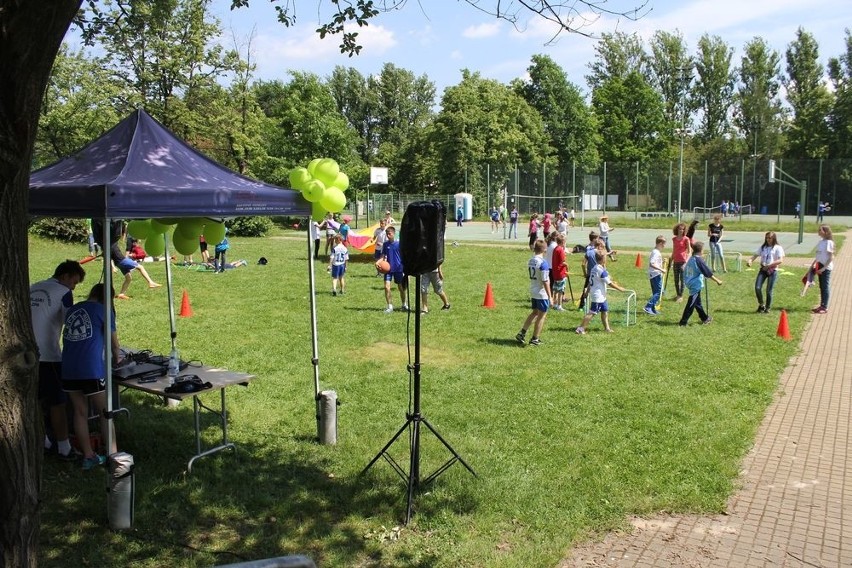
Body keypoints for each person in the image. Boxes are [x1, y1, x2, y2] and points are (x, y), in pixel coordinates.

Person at [30, 260, 86, 460]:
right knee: (57, 402)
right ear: (65, 276)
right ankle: (63, 447)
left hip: (24, 353)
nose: (74, 287)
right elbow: (72, 322)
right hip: (48, 355)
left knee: (33, 400)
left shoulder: (33, 287)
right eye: (74, 282)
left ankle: (43, 441)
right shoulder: (64, 293)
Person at [62, 283, 121, 470]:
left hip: (69, 368)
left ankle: (88, 456)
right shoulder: (104, 311)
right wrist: (117, 358)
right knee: (106, 412)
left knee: (80, 412)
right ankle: (114, 456)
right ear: (108, 298)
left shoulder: (73, 309)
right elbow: (115, 346)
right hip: (91, 369)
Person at [575, 250, 627, 334]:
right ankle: (580, 329)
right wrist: (619, 289)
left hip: (601, 295)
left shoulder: (594, 268)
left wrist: (587, 292)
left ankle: (607, 328)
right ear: (603, 259)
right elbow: (609, 283)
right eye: (606, 257)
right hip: (598, 296)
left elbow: (590, 282)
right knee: (592, 312)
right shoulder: (601, 271)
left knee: (604, 311)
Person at [515, 239, 551, 346]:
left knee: (534, 312)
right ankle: (535, 338)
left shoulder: (531, 260)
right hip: (541, 292)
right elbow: (545, 281)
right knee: (542, 315)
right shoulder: (543, 263)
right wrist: (550, 296)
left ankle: (522, 332)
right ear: (544, 250)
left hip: (533, 290)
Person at [678, 241, 723, 326]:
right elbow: (708, 273)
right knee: (691, 304)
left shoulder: (693, 258)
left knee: (697, 303)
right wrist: (718, 281)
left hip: (689, 282)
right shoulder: (698, 260)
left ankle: (705, 318)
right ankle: (683, 322)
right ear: (701, 250)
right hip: (694, 284)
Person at [746, 231, 785, 313]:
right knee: (757, 287)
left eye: (770, 238)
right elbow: (755, 255)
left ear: (774, 238)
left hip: (772, 270)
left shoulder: (778, 248)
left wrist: (770, 265)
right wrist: (750, 260)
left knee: (769, 290)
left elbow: (780, 260)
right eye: (767, 238)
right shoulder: (763, 247)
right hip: (763, 269)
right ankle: (761, 305)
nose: (768, 240)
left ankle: (768, 307)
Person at [381, 225, 408, 313]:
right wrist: (380, 263)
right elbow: (383, 256)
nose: (388, 236)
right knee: (386, 287)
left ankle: (404, 305)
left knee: (401, 288)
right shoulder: (385, 245)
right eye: (387, 234)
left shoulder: (399, 244)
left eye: (389, 234)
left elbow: (404, 257)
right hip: (388, 269)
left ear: (394, 233)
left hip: (398, 269)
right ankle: (390, 306)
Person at [811, 225, 835, 314]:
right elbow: (819, 255)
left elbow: (831, 257)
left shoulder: (829, 242)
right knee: (821, 286)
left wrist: (824, 268)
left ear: (825, 232)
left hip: (825, 268)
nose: (818, 231)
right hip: (819, 266)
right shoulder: (821, 241)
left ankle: (824, 307)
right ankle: (822, 305)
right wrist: (814, 264)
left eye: (820, 230)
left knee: (825, 287)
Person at [643, 235, 667, 316]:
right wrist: (661, 269)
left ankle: (652, 309)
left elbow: (655, 262)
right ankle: (648, 306)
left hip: (654, 274)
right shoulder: (656, 252)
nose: (664, 246)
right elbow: (652, 264)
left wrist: (662, 262)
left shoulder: (656, 252)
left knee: (655, 292)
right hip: (655, 274)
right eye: (664, 244)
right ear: (660, 243)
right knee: (659, 292)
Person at [670, 222, 692, 302]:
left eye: (682, 229)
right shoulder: (674, 239)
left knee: (682, 279)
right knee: (676, 279)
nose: (681, 231)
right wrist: (671, 260)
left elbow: (689, 252)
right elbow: (674, 250)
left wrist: (686, 262)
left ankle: (680, 296)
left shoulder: (686, 239)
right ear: (677, 229)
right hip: (676, 261)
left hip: (683, 261)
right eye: (679, 229)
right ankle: (678, 294)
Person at [551, 233, 568, 311]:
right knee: (561, 290)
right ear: (563, 242)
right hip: (560, 273)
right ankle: (559, 305)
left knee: (556, 289)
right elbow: (562, 262)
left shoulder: (555, 248)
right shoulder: (560, 250)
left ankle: (554, 303)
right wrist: (567, 266)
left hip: (555, 272)